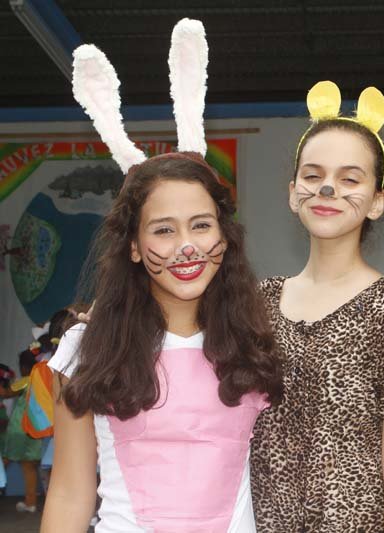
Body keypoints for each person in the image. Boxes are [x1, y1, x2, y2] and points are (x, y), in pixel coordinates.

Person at [41, 19, 282, 532]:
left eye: (201, 225)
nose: (186, 246)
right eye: (164, 230)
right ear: (133, 245)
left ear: (225, 237)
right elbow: (68, 493)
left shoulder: (256, 339)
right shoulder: (86, 349)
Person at [249, 81, 384, 532]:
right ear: (292, 192)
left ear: (377, 201)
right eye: (313, 175)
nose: (327, 189)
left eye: (350, 179)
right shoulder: (258, 304)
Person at [4, 348, 44, 512]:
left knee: (5, 460)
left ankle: (30, 502)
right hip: (35, 429)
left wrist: (3, 379)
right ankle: (31, 502)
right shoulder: (40, 380)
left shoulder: (27, 380)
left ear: (24, 367)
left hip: (20, 429)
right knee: (29, 466)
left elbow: (6, 393)